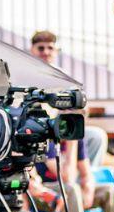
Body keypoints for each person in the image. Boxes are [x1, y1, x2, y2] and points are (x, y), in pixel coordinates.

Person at [30, 30, 108, 167]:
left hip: (63, 125)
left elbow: (78, 104)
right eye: (41, 48)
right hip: (40, 130)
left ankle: (84, 175)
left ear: (56, 51)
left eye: (50, 48)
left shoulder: (62, 75)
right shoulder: (27, 73)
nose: (46, 52)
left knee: (97, 136)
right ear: (32, 49)